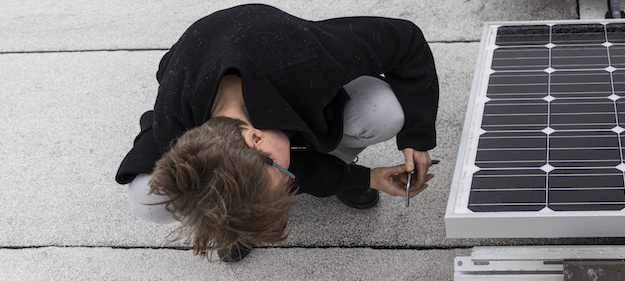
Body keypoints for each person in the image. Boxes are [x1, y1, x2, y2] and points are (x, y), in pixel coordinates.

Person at [115, 4, 438, 262]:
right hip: (197, 65)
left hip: (276, 54)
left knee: (383, 110)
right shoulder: (176, 119)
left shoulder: (309, 58)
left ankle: (338, 158)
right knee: (148, 199)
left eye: (286, 179)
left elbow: (405, 39)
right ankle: (238, 218)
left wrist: (416, 136)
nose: (292, 182)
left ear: (254, 138)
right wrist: (369, 179)